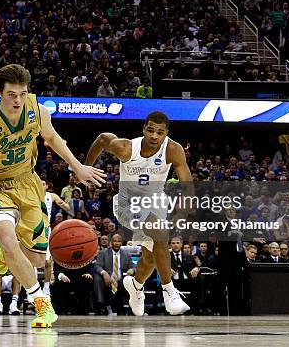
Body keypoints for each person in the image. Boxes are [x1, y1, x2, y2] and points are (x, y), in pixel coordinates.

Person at [0, 64, 105, 328]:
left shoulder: (37, 111)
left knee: (38, 259)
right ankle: (41, 304)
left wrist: (78, 166)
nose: (18, 100)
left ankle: (4, 253)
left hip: (28, 183)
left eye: (22, 93)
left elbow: (54, 138)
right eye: (11, 95)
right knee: (6, 236)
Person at [85, 111, 191, 316]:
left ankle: (135, 286)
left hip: (156, 202)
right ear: (144, 129)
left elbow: (187, 184)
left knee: (151, 257)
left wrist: (183, 212)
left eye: (159, 132)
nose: (154, 136)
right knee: (160, 232)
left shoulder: (173, 149)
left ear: (166, 133)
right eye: (150, 130)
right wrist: (86, 168)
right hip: (128, 203)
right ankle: (169, 292)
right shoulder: (126, 148)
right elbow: (102, 138)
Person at [92, 234, 134, 315]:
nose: (117, 243)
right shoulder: (103, 253)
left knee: (129, 280)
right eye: (115, 241)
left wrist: (132, 269)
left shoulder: (126, 254)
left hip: (120, 280)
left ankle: (130, 307)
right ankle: (101, 305)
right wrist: (104, 273)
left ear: (122, 243)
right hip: (107, 280)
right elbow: (97, 266)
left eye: (119, 241)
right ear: (111, 242)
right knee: (97, 277)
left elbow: (133, 267)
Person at [41, 179, 70, 297]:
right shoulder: (31, 194)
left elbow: (66, 206)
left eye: (43, 184)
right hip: (32, 231)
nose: (41, 185)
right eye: (39, 183)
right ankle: (31, 290)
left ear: (47, 186)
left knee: (48, 262)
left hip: (46, 230)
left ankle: (46, 288)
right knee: (31, 262)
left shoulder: (51, 196)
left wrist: (65, 204)